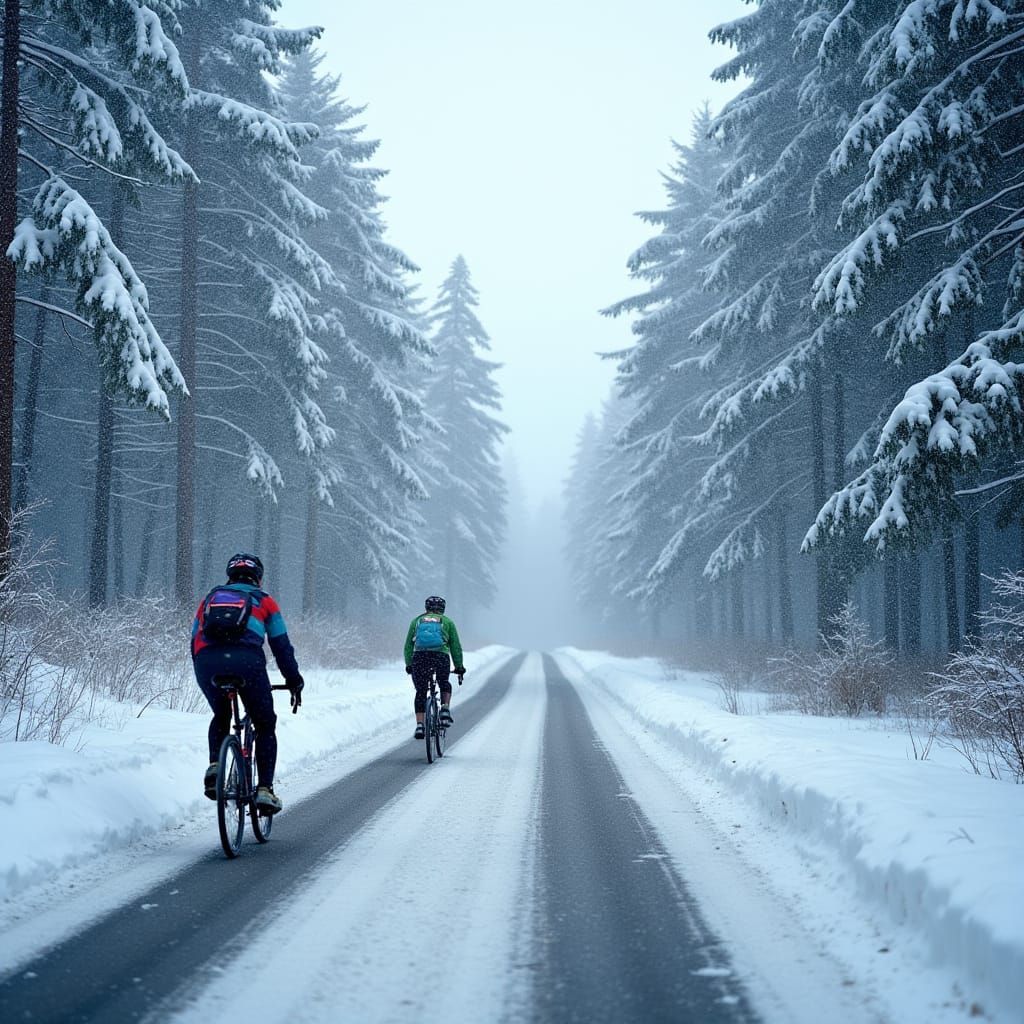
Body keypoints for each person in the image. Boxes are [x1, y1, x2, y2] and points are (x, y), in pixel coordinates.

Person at [192, 552, 304, 814]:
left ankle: (215, 766)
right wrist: (293, 680)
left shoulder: (210, 598)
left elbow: (194, 638)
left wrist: (205, 667)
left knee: (221, 714)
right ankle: (264, 790)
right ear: (259, 578)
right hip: (247, 663)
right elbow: (281, 647)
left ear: (229, 576)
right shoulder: (265, 601)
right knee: (265, 724)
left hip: (207, 662)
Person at [404, 595, 465, 740]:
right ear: (442, 609)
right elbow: (455, 646)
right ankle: (444, 709)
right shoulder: (448, 622)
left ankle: (420, 724)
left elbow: (408, 645)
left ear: (426, 608)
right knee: (444, 682)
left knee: (421, 691)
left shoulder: (417, 621)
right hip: (440, 657)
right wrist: (459, 667)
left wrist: (409, 664)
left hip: (420, 658)